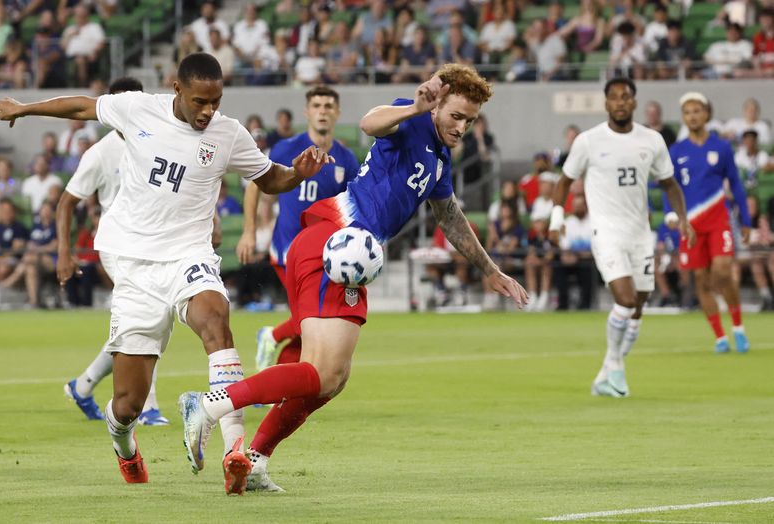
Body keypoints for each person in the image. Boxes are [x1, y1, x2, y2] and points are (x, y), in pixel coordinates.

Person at [178, 64, 527, 494]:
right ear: (437, 104)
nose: (462, 126)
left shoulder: (440, 159)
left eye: (469, 120)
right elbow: (369, 123)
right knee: (322, 372)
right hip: (336, 240)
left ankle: (255, 459)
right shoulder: (412, 119)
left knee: (333, 379)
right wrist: (415, 106)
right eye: (456, 115)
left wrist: (490, 271)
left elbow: (450, 216)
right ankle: (212, 404)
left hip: (347, 255)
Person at [0, 52, 334, 485]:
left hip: (189, 254)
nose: (209, 111)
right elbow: (81, 106)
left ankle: (235, 451)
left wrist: (296, 173)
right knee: (128, 403)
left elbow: (269, 179)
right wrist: (25, 108)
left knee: (216, 321)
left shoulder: (228, 133)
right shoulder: (138, 108)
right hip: (134, 264)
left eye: (216, 101)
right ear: (177, 90)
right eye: (199, 101)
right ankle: (124, 445)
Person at [548, 78, 693, 398]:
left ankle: (607, 373)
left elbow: (669, 184)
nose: (620, 102)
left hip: (640, 234)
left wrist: (682, 218)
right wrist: (557, 219)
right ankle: (615, 367)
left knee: (638, 308)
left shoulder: (652, 140)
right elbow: (564, 181)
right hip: (606, 232)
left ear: (634, 102)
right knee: (625, 300)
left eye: (625, 97)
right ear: (606, 103)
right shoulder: (588, 141)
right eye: (614, 97)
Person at [54, 77, 171, 425]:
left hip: (152, 241)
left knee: (150, 321)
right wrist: (64, 250)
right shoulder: (100, 154)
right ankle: (147, 407)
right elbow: (66, 202)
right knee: (147, 317)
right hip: (116, 244)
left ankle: (84, 385)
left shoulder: (157, 140)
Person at [239, 86, 360, 373]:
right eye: (316, 105)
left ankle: (276, 362)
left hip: (325, 256)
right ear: (307, 112)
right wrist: (248, 230)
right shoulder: (286, 149)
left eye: (329, 106)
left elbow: (353, 207)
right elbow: (256, 186)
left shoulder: (347, 159)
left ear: (337, 113)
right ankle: (273, 345)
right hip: (288, 250)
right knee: (309, 318)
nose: (322, 111)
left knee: (311, 323)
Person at [666, 92, 751, 353]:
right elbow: (669, 186)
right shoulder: (676, 151)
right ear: (684, 117)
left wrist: (745, 219)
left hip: (718, 220)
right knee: (701, 280)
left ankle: (738, 327)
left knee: (723, 272)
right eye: (687, 112)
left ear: (707, 114)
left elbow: (735, 182)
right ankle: (720, 337)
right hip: (690, 225)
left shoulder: (722, 147)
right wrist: (672, 214)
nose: (692, 116)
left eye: (697, 111)